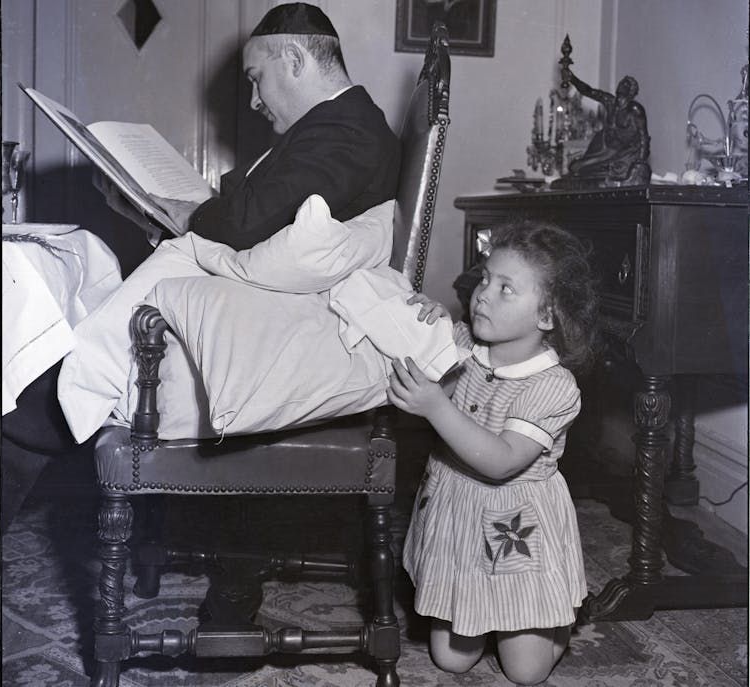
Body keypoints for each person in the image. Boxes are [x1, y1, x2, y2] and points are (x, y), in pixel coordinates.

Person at [388, 221, 599, 685]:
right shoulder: (463, 344)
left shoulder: (552, 388)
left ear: (548, 316)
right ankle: (483, 613)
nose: (483, 294)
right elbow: (422, 346)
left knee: (525, 673)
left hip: (513, 528)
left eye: (506, 289)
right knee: (451, 659)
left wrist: (436, 408)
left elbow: (501, 460)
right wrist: (421, 320)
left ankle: (554, 615)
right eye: (485, 277)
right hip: (456, 513)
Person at [105, 2, 401, 249]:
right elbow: (264, 222)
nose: (253, 101)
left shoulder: (349, 133)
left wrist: (191, 216)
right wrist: (157, 218)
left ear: (295, 60)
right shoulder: (337, 124)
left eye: (256, 78)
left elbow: (248, 226)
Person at [563, 67, 650, 185]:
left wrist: (641, 161)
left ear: (631, 91)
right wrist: (573, 79)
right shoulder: (610, 101)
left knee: (612, 170)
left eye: (626, 83)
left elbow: (643, 136)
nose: (621, 84)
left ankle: (605, 172)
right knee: (575, 167)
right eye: (622, 82)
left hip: (625, 153)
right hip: (606, 149)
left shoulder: (635, 110)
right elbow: (589, 91)